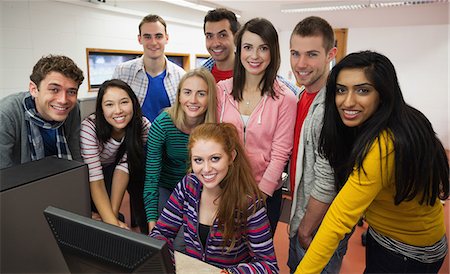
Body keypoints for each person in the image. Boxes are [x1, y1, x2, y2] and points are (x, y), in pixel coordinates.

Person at [296, 50, 449, 273]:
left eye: (363, 90)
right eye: (341, 90)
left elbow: (338, 219)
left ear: (383, 93)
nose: (348, 101)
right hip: (389, 234)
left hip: (407, 251)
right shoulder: (399, 117)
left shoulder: (384, 145)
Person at [150, 123, 279, 273]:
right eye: (198, 160)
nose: (206, 169)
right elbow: (160, 233)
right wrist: (168, 260)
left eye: (215, 159)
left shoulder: (248, 202)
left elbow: (269, 266)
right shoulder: (188, 186)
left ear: (231, 157)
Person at [217, 18, 297, 235]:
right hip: (223, 188)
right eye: (248, 47)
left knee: (257, 262)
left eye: (263, 48)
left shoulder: (285, 98)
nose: (254, 56)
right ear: (239, 50)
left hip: (264, 195)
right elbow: (212, 142)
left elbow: (280, 154)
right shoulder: (221, 91)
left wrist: (258, 197)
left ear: (273, 53)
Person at [287, 16, 351, 274]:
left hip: (317, 227)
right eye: (295, 53)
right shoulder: (303, 95)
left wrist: (305, 230)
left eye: (311, 54)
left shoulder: (330, 109)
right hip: (302, 215)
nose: (301, 64)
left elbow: (327, 180)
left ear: (330, 54)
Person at [144, 68, 217, 234]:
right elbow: (151, 178)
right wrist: (152, 222)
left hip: (200, 188)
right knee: (163, 233)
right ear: (179, 96)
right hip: (167, 186)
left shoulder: (214, 127)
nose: (193, 100)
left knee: (185, 241)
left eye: (201, 93)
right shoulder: (162, 124)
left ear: (210, 97)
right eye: (187, 92)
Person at [80, 79, 150, 233]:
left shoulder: (142, 125)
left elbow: (125, 167)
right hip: (89, 176)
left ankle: (147, 234)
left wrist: (112, 215)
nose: (118, 110)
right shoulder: (89, 127)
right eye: (109, 104)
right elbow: (95, 179)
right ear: (101, 108)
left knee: (139, 170)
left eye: (124, 102)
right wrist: (112, 222)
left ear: (133, 103)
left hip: (117, 170)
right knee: (100, 219)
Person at [0, 55, 84, 170]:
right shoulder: (6, 114)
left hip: (61, 178)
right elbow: (3, 173)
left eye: (71, 91)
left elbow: (76, 155)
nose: (63, 100)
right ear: (34, 89)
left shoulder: (73, 109)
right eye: (54, 89)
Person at [113, 14, 185, 122]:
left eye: (158, 36)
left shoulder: (181, 76)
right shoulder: (122, 72)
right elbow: (112, 108)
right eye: (147, 37)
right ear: (139, 39)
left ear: (167, 38)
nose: (153, 42)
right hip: (133, 137)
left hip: (168, 138)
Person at [202, 8, 240, 82]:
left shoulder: (251, 75)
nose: (216, 44)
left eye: (222, 35)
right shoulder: (200, 76)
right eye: (209, 36)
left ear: (236, 37)